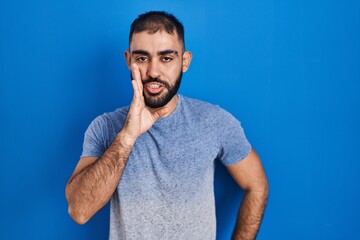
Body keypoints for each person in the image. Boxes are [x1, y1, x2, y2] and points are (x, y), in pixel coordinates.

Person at [65, 11, 269, 240]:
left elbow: (257, 184)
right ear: (128, 60)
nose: (153, 71)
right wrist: (128, 135)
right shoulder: (105, 127)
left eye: (166, 58)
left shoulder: (215, 121)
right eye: (142, 58)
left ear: (184, 61)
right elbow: (79, 211)